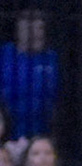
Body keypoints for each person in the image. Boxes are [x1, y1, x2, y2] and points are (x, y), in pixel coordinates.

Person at [0, 8, 56, 142]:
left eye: (40, 28)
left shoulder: (51, 58)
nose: (36, 33)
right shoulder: (5, 55)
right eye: (30, 28)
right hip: (8, 132)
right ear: (19, 29)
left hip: (42, 132)